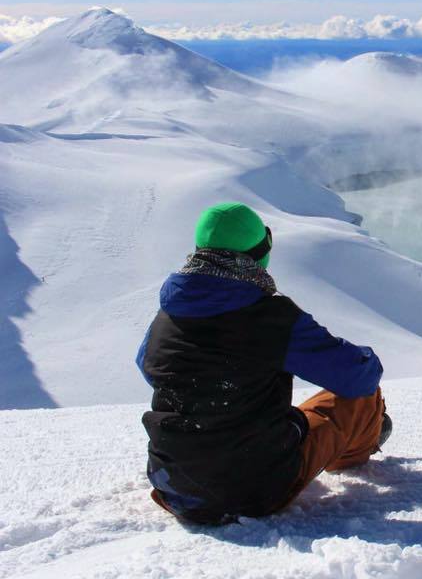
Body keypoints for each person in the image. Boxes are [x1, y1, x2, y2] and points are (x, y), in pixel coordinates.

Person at [137, 202, 390, 525]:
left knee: (297, 413)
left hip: (172, 486)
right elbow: (357, 377)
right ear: (258, 254)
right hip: (251, 489)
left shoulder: (168, 314)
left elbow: (147, 366)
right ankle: (352, 453)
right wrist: (366, 356)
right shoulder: (271, 317)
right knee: (361, 400)